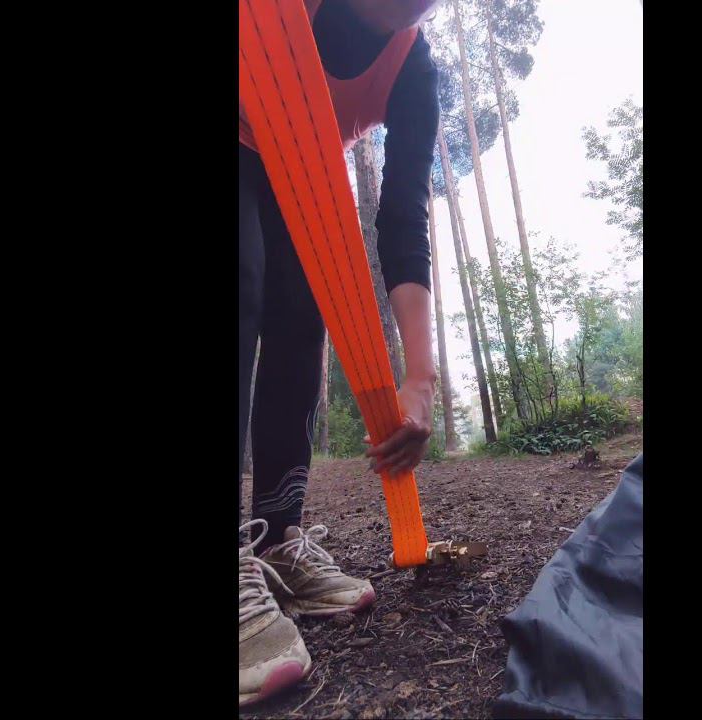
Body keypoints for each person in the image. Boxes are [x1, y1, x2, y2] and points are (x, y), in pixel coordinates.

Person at [238, 0, 442, 706]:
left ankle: (276, 535)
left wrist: (420, 376)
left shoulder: (412, 66)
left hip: (296, 167)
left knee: (304, 307)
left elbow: (404, 216)